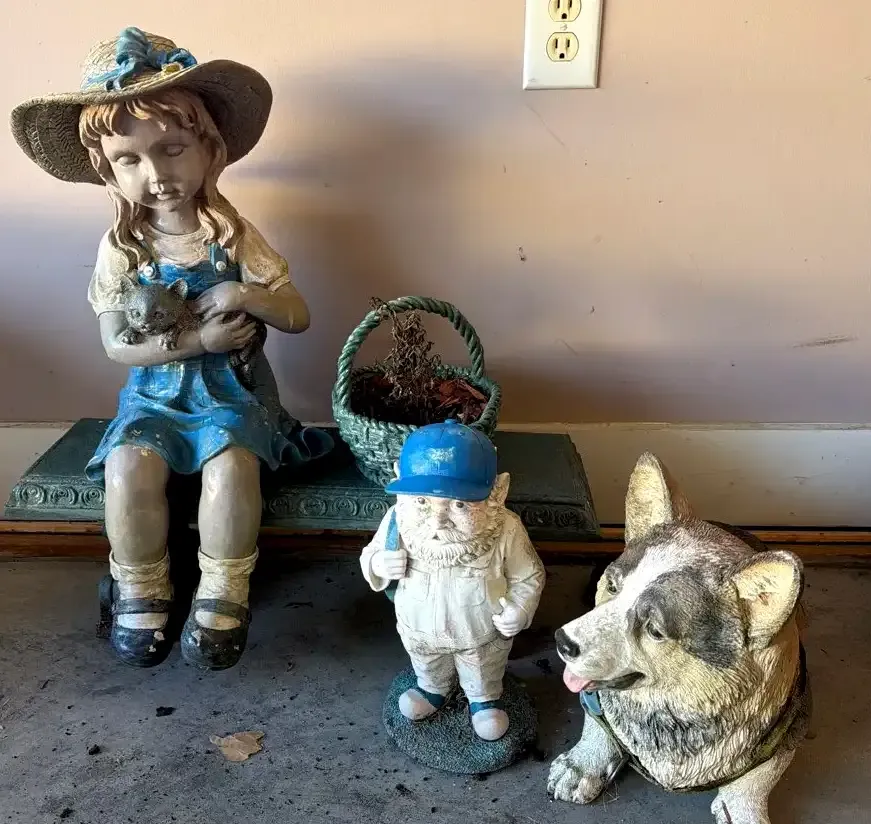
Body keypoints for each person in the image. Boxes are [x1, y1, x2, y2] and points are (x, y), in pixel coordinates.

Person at [11, 27, 332, 670]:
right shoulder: (122, 250)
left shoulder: (232, 237)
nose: (156, 175)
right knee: (128, 467)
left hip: (234, 398)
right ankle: (142, 589)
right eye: (129, 159)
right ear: (106, 167)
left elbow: (297, 315)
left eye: (173, 149)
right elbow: (117, 346)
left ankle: (223, 591)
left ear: (209, 149)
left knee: (232, 464)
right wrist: (198, 340)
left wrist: (246, 294)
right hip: (153, 399)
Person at [360, 420, 546, 741]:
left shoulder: (507, 529)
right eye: (422, 502)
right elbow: (370, 556)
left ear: (497, 494)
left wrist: (520, 609)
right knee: (427, 663)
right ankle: (432, 688)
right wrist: (379, 563)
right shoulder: (397, 520)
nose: (438, 521)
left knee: (482, 667)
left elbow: (528, 575)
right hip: (418, 629)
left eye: (459, 504)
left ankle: (483, 699)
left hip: (480, 633)